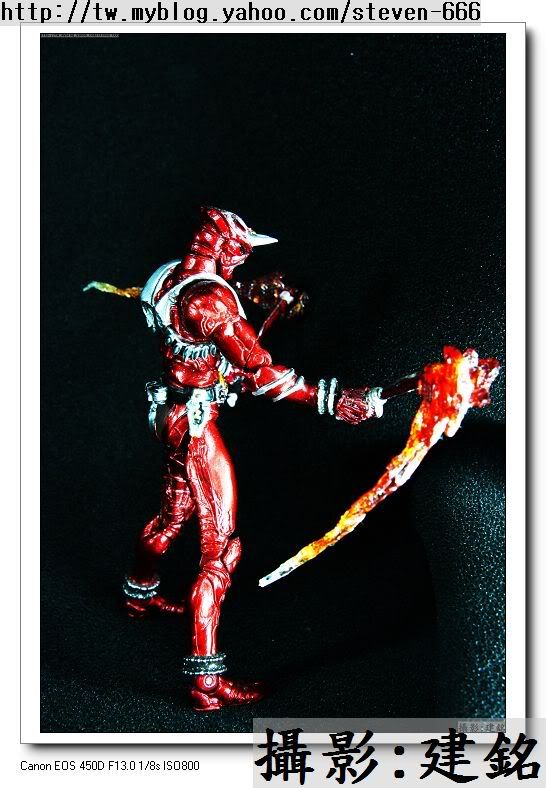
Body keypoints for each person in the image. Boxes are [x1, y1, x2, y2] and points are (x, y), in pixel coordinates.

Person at [123, 207, 387, 711]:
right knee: (219, 552)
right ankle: (205, 683)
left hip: (169, 414)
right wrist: (332, 399)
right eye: (240, 251)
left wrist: (254, 302)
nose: (243, 260)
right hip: (196, 427)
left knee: (172, 516)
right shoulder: (211, 300)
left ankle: (139, 594)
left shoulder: (166, 277)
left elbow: (204, 336)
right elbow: (259, 373)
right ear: (222, 248)